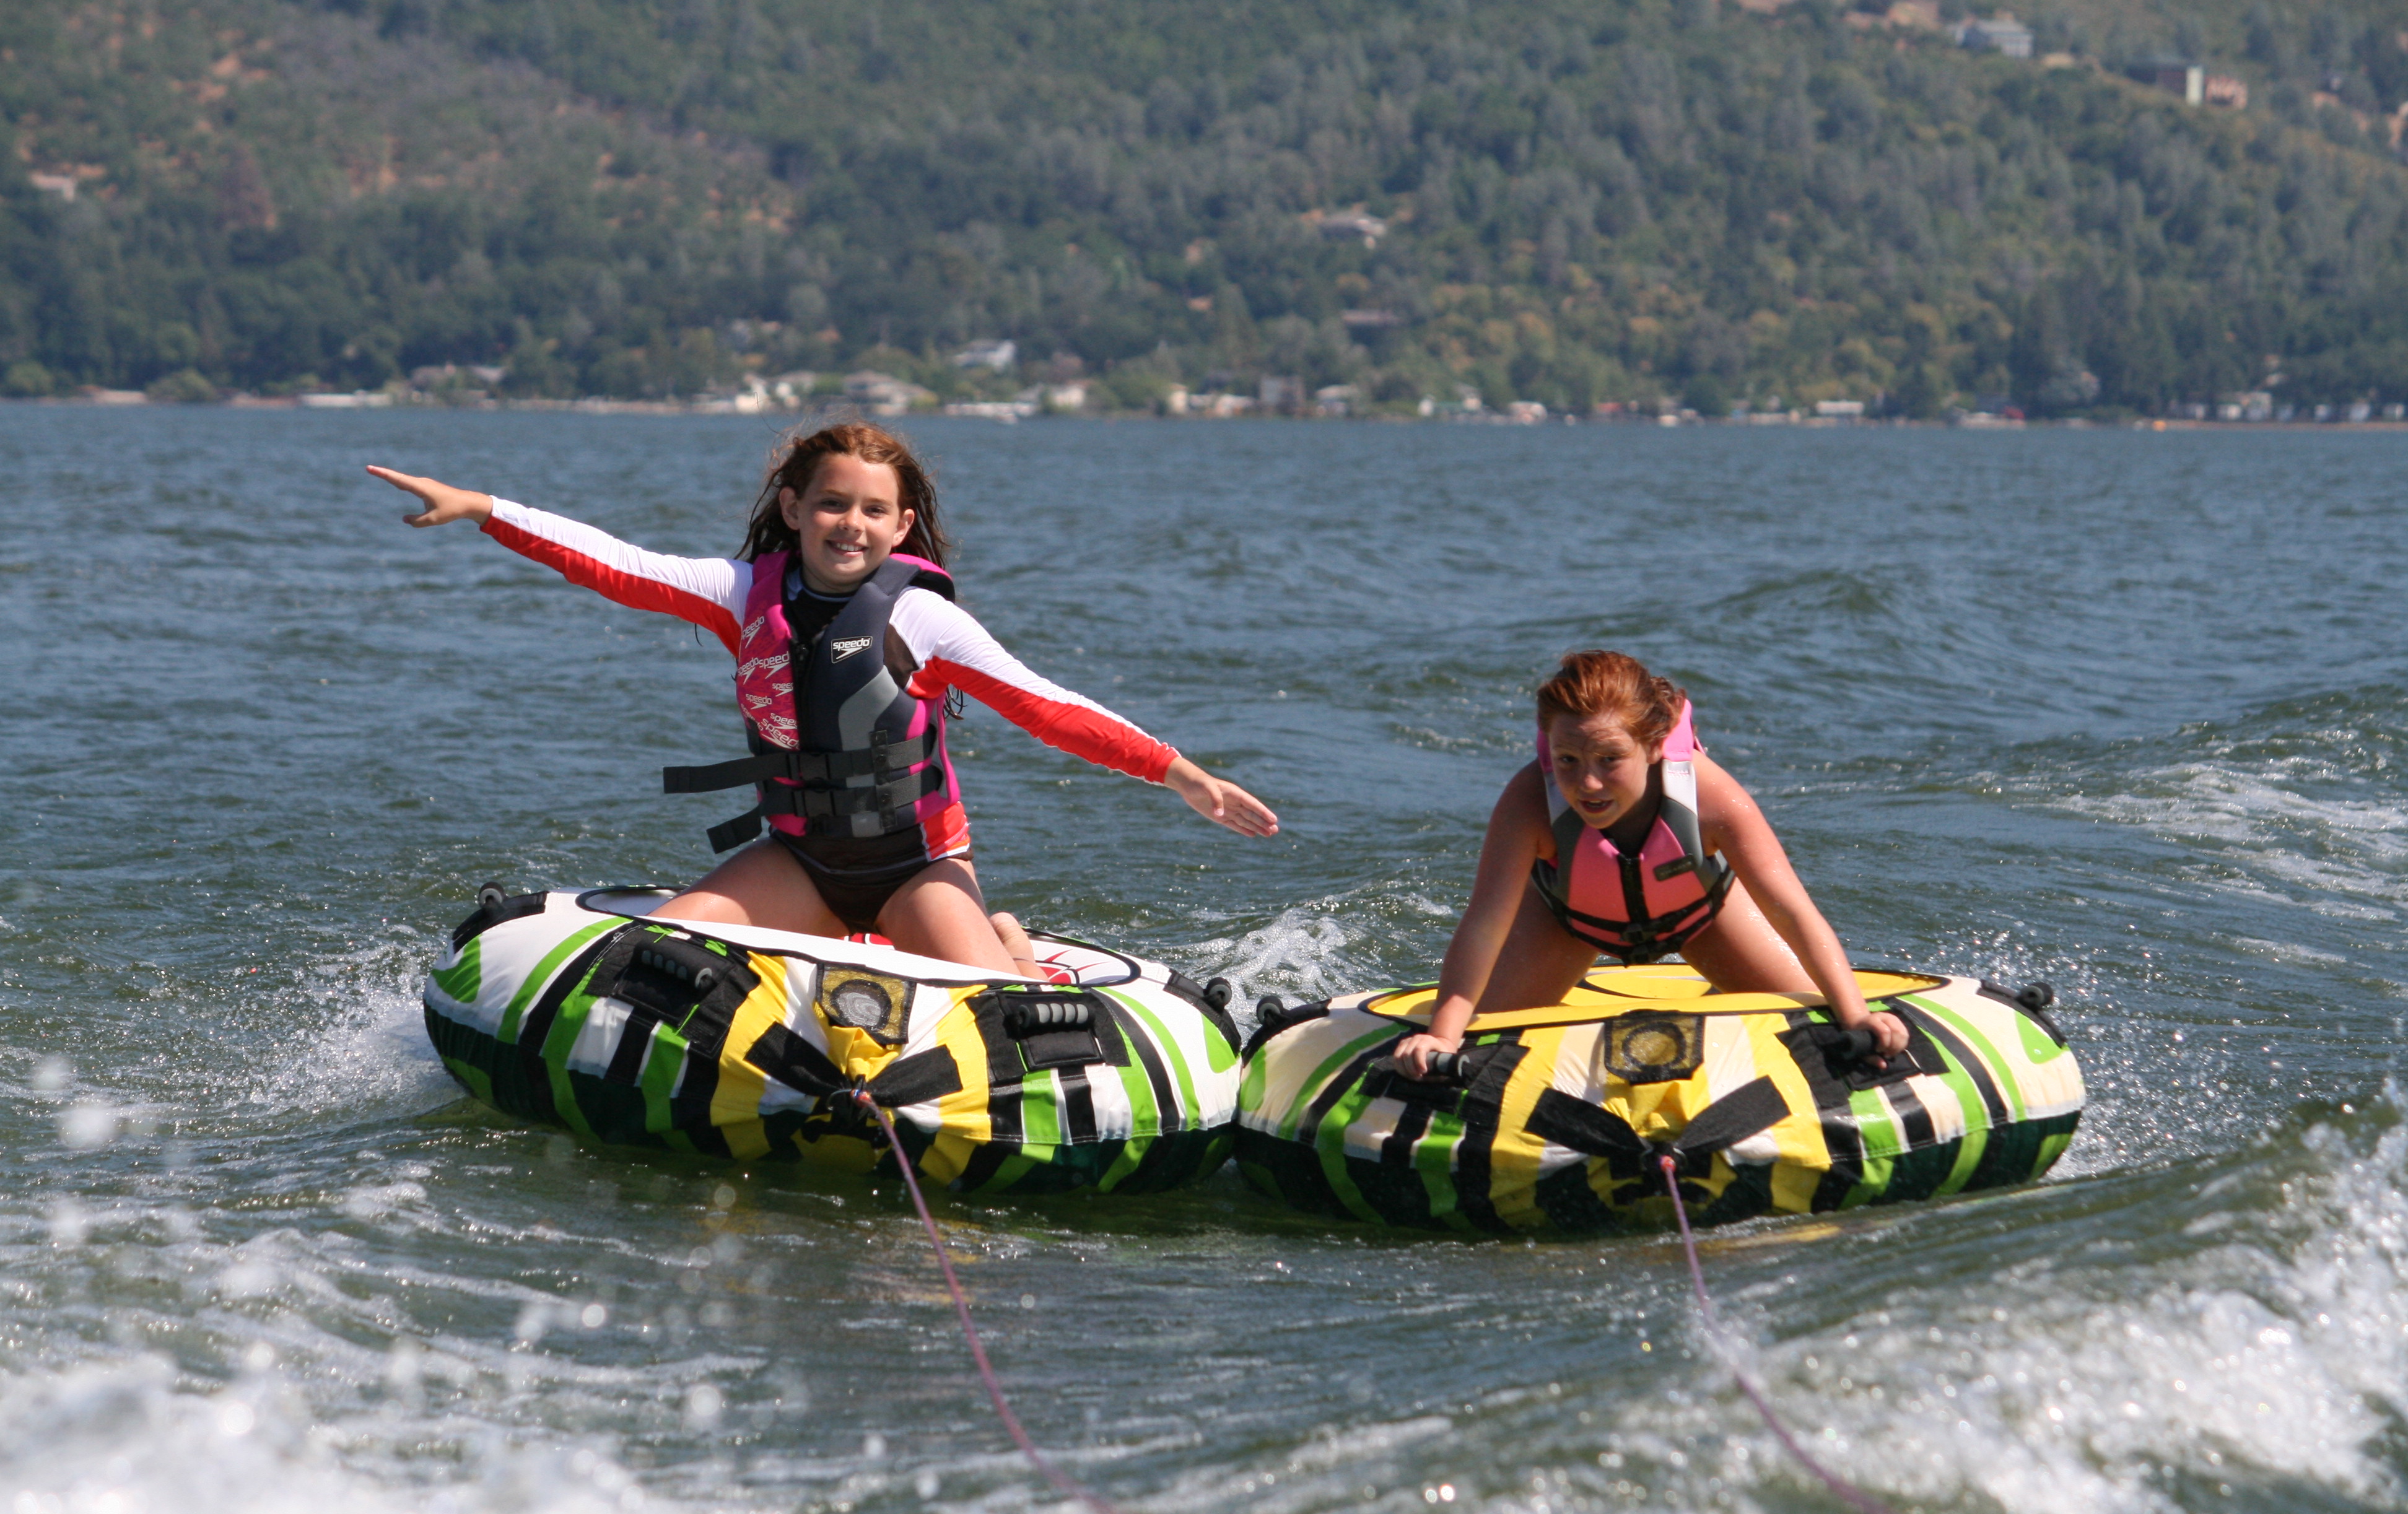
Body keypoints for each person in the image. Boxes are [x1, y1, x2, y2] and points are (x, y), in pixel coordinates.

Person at [367, 422, 1276, 977]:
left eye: (875, 511)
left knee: (997, 1008)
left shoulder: (922, 619)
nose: (853, 525)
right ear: (795, 509)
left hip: (917, 870)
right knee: (645, 967)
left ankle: (1002, 934)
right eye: (834, 504)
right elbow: (617, 566)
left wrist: (1181, 774)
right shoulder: (740, 594)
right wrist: (482, 507)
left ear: (902, 526)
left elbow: (1046, 707)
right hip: (799, 861)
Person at [1393, 650, 1906, 1077]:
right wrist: (1442, 1036)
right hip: (1568, 925)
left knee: (1817, 1025)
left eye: (1610, 759)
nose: (1588, 783)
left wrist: (1856, 1015)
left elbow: (1791, 911)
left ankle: (1724, 993)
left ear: (1656, 746)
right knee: (1478, 1041)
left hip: (1703, 920)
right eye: (1568, 760)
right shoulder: (1528, 803)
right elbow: (1484, 926)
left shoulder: (1709, 796)